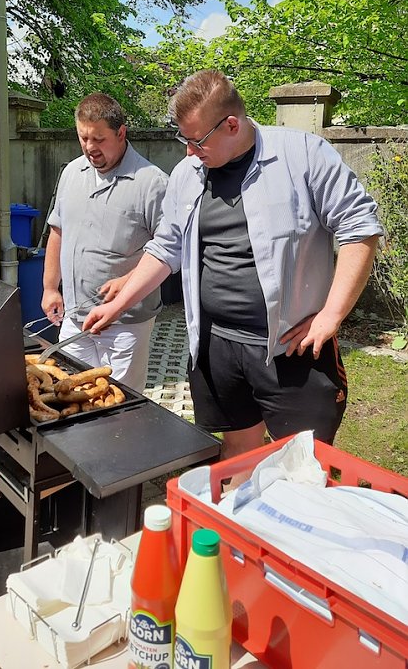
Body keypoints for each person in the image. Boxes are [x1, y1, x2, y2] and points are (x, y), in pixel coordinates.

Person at [82, 70, 383, 464]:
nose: (189, 151)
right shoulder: (187, 175)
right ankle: (237, 522)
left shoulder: (303, 155)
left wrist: (332, 314)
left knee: (304, 464)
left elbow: (360, 228)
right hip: (216, 345)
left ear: (231, 125)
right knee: (238, 451)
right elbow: (166, 247)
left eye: (196, 140)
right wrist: (119, 304)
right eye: (183, 139)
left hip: (290, 347)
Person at [41, 92, 168, 392]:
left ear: (121, 133)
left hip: (125, 326)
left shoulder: (153, 183)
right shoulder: (71, 173)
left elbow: (169, 251)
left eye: (99, 139)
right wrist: (49, 287)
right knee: (69, 398)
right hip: (74, 319)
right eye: (83, 138)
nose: (89, 147)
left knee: (118, 408)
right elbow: (57, 231)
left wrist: (127, 280)